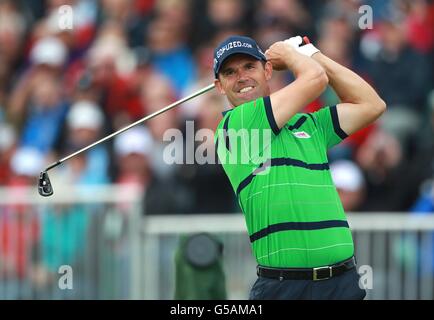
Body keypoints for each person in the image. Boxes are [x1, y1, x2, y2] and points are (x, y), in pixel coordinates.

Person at [213, 35, 386, 300]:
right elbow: (315, 80)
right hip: (284, 288)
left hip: (342, 284)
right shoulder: (235, 125)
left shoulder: (309, 124)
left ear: (267, 70)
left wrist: (313, 53)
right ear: (220, 86)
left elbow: (372, 105)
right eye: (230, 72)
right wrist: (293, 54)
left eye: (249, 66)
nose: (241, 77)